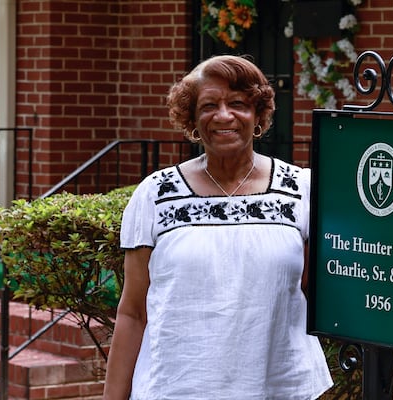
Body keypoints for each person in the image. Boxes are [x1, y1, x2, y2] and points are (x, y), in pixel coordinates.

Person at [103, 55, 333, 399]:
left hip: (278, 387)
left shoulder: (302, 190)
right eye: (209, 105)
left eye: (238, 103)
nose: (224, 116)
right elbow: (133, 312)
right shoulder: (156, 194)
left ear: (258, 115)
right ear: (193, 120)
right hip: (174, 388)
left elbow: (313, 292)